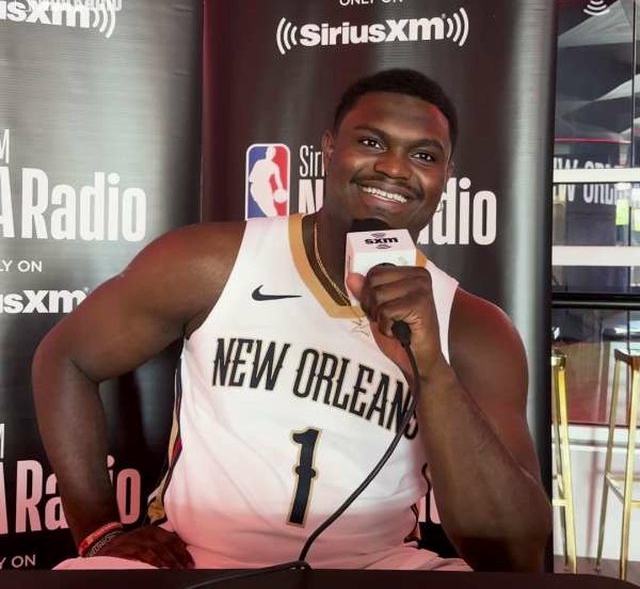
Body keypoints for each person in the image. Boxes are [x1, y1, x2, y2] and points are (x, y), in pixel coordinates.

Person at [32, 69, 551, 572]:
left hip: (378, 565)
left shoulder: (473, 327)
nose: (394, 168)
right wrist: (99, 531)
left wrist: (432, 370)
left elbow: (514, 557)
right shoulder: (213, 262)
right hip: (197, 559)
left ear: (446, 176)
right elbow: (66, 359)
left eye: (423, 155)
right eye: (371, 142)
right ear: (328, 148)